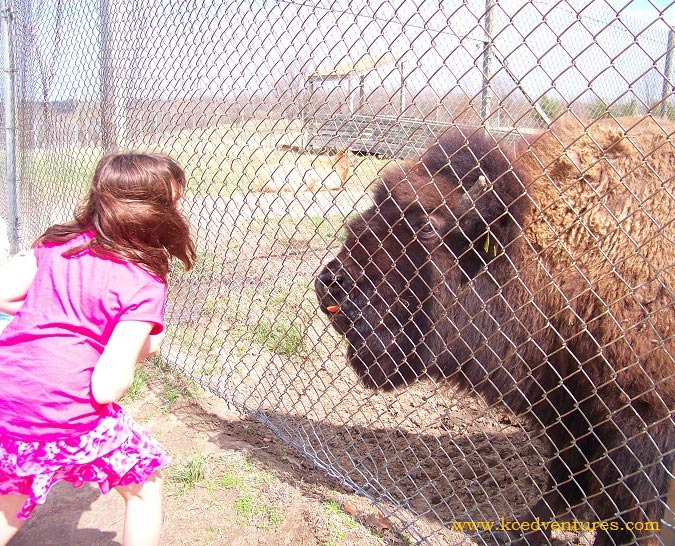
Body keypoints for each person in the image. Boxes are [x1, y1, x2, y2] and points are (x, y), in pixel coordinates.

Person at [0, 153, 196, 546]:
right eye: (174, 200)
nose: (179, 208)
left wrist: (49, 312)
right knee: (144, 483)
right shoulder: (143, 280)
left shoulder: (58, 244)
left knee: (14, 489)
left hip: (7, 394)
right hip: (60, 408)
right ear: (152, 211)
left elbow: (4, 292)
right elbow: (107, 386)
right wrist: (142, 347)